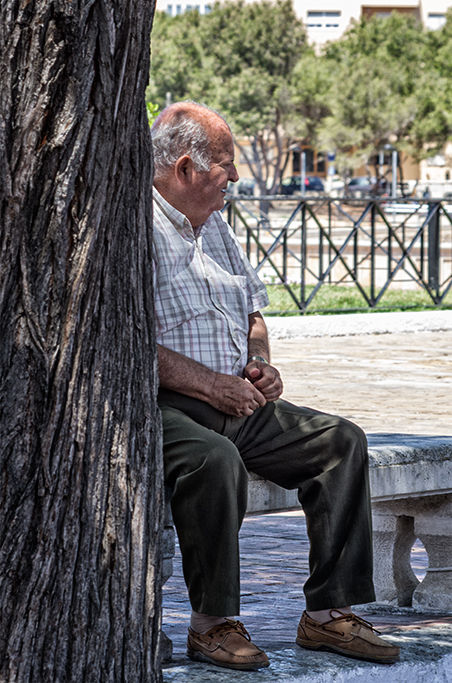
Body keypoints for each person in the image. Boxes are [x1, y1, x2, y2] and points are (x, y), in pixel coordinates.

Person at [151, 101, 400, 671]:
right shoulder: (131, 230)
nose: (235, 177)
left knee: (341, 442)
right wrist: (211, 386)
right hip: (165, 404)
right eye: (225, 164)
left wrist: (260, 362)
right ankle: (212, 625)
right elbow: (122, 343)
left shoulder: (215, 226)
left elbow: (253, 313)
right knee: (214, 461)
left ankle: (328, 616)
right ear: (186, 168)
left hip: (237, 395)